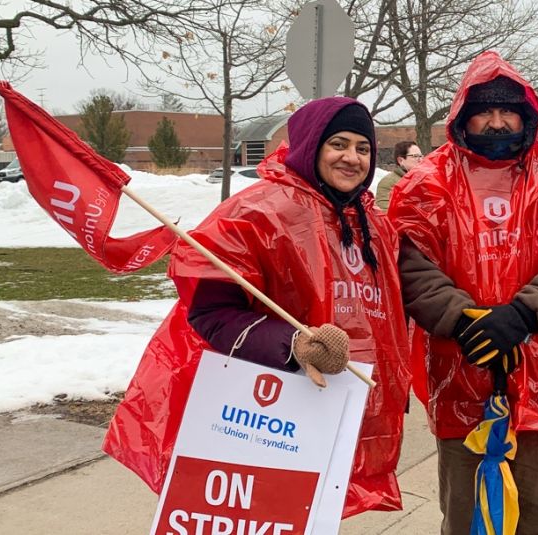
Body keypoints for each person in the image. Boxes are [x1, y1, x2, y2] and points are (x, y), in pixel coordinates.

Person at [103, 97, 412, 519]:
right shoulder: (260, 210)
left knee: (310, 516)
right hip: (261, 413)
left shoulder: (372, 224)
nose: (352, 158)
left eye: (362, 148)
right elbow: (212, 312)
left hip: (336, 405)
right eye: (338, 143)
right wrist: (293, 345)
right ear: (311, 145)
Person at [389, 50, 538, 535]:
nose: (496, 123)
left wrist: (521, 315)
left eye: (506, 111)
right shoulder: (427, 181)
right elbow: (412, 264)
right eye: (484, 112)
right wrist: (463, 319)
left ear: (526, 115)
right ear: (464, 116)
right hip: (460, 365)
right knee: (466, 508)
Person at [375, 140, 423, 210]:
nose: (421, 160)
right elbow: (385, 212)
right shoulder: (388, 183)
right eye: (415, 156)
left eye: (421, 156)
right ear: (401, 160)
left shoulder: (424, 180)